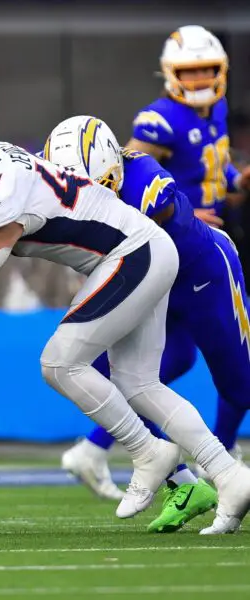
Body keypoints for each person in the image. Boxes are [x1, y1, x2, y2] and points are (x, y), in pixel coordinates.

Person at [0, 138, 250, 534]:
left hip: (133, 254)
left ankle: (149, 451)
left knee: (60, 363)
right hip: (144, 249)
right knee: (139, 384)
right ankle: (230, 476)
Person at [46, 115, 250, 532]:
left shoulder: (141, 176)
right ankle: (188, 482)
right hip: (151, 285)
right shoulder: (53, 173)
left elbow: (149, 231)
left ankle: (222, 464)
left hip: (200, 277)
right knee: (125, 380)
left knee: (240, 386)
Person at [127, 25, 250, 454]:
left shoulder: (216, 110)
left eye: (206, 70)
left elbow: (212, 170)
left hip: (212, 243)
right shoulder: (158, 121)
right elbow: (124, 179)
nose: (199, 79)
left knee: (179, 356)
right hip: (181, 248)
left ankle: (97, 446)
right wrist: (183, 211)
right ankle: (221, 449)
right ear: (170, 73)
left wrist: (239, 179)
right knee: (238, 359)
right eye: (189, 71)